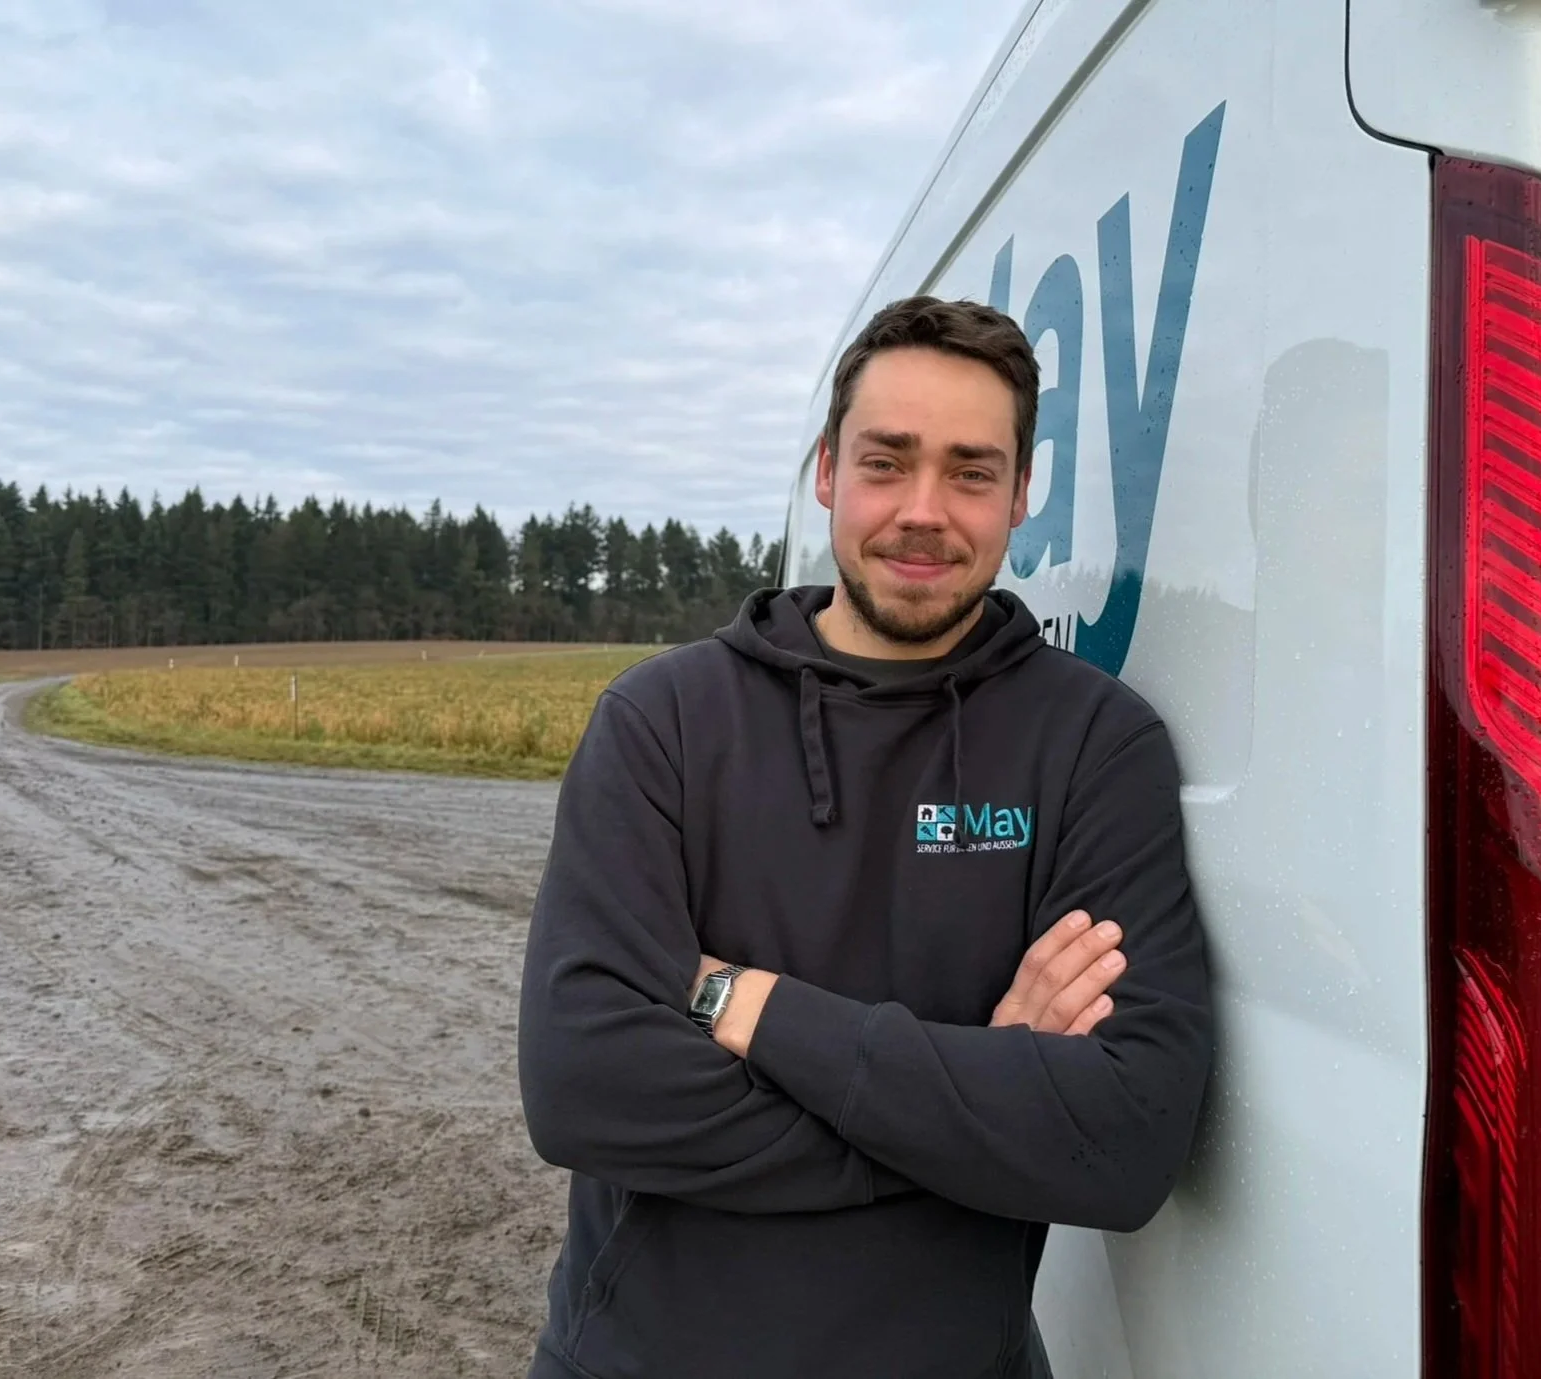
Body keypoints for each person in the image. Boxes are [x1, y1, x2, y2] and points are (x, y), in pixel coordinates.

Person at [517, 295, 1212, 1379]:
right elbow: (584, 1085)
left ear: (1022, 491)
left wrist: (747, 1003)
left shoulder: (1091, 745)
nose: (923, 509)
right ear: (828, 471)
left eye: (972, 471)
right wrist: (977, 1092)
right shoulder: (666, 722)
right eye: (886, 461)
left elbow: (1121, 1140)